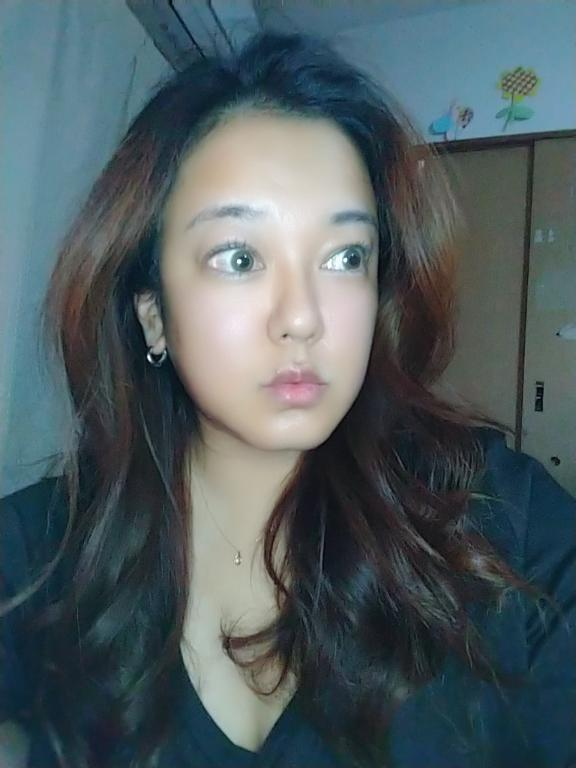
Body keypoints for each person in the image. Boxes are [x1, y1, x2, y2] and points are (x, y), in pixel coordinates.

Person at [1, 30, 575, 768]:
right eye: (239, 257)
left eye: (345, 257)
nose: (303, 317)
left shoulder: (498, 521)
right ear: (153, 315)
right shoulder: (32, 559)